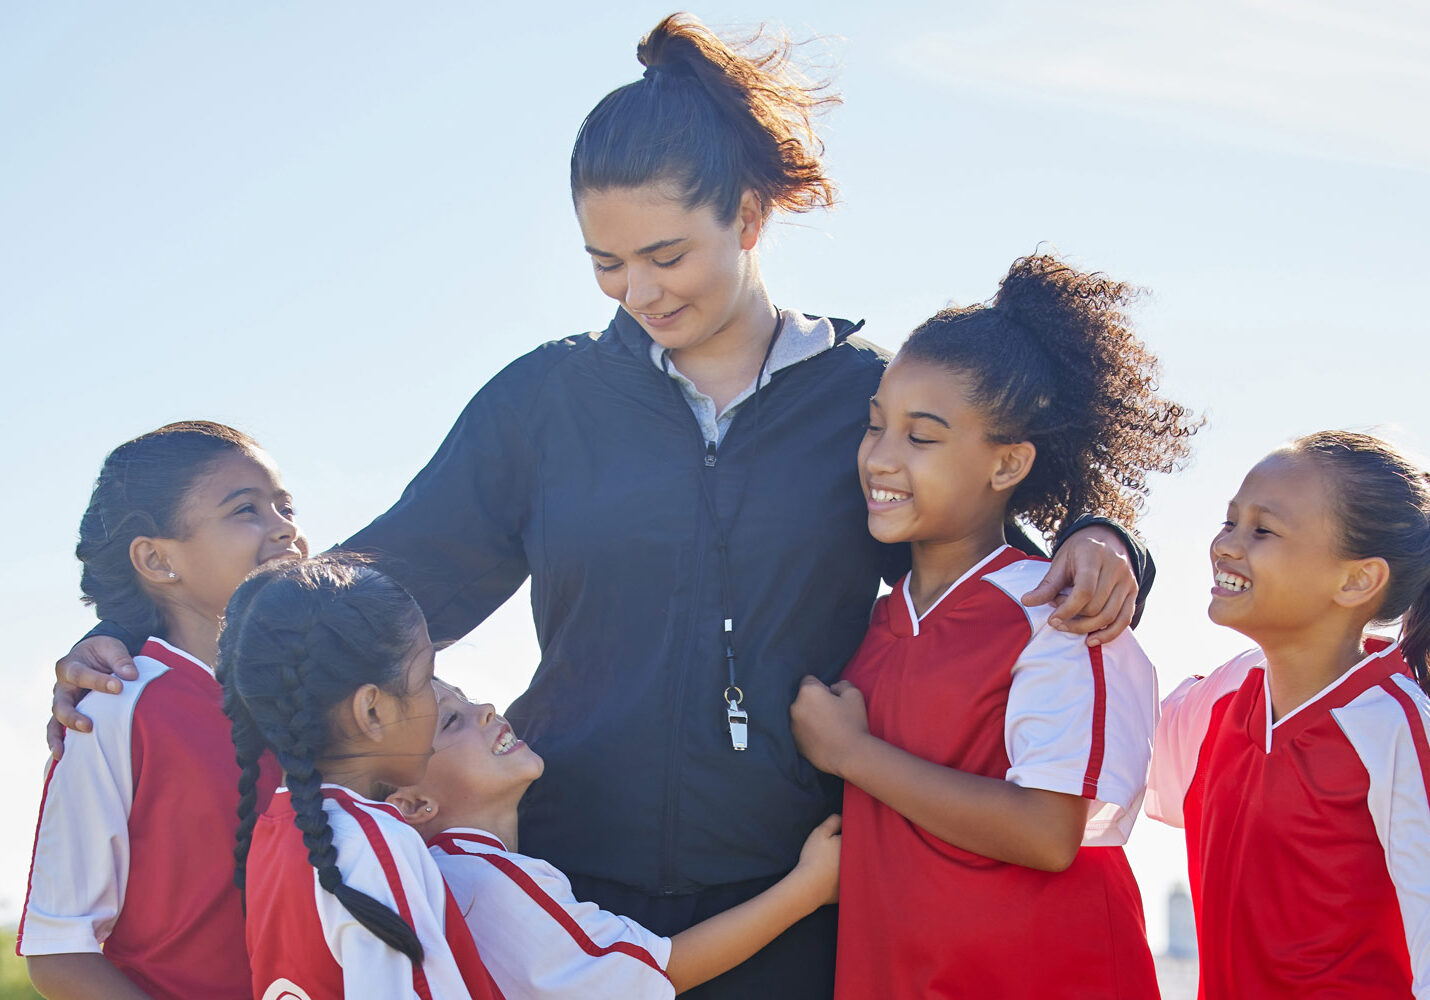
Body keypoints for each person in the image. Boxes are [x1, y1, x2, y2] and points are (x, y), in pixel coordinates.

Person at [50, 15, 1150, 996]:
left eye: (666, 254)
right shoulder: (546, 401)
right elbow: (379, 581)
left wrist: (1107, 539)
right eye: (606, 265)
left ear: (751, 216)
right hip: (568, 891)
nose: (642, 292)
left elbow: (982, 547)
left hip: (798, 890)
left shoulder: (860, 400)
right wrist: (138, 632)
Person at [791, 255, 1198, 998]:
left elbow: (1047, 834)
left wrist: (852, 752)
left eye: (922, 437)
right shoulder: (875, 616)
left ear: (1007, 463)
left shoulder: (1058, 612)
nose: (880, 457)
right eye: (875, 426)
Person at [18, 421, 306, 999]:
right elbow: (60, 953)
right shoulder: (117, 707)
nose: (286, 530)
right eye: (247, 510)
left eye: (285, 506)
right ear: (155, 559)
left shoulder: (323, 696)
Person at [1145, 431, 1430, 998]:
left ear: (1357, 580)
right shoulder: (1224, 695)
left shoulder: (1398, 729)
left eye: (1262, 529)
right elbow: (1098, 766)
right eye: (1229, 522)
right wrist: (1104, 540)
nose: (1226, 544)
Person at [387, 679, 840, 998]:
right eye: (450, 721)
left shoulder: (445, 875)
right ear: (412, 805)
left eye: (466, 699)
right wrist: (810, 888)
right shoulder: (486, 881)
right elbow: (659, 972)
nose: (484, 707)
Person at [222, 556, 500, 1000]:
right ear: (372, 711)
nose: (437, 695)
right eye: (427, 677)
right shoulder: (375, 842)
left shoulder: (275, 832)